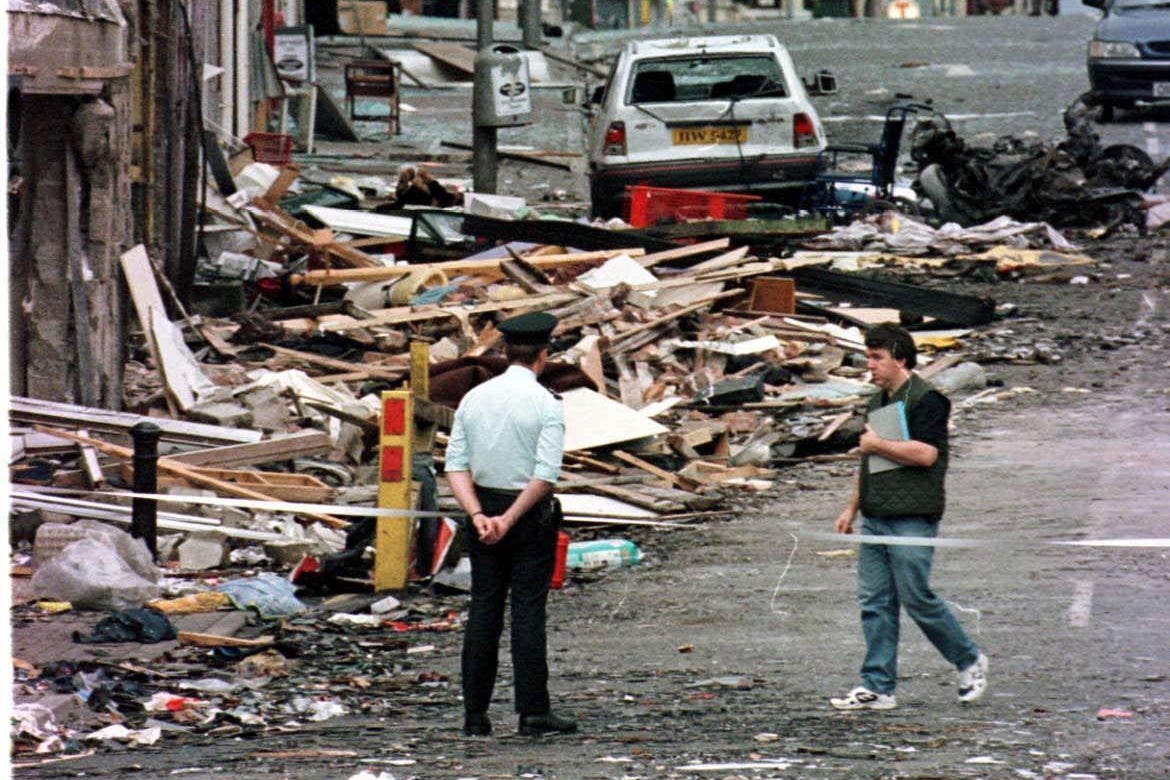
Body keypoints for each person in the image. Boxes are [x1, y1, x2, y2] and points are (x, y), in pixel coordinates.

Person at [830, 322, 988, 711]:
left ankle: (968, 659)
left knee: (916, 597)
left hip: (913, 515)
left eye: (877, 358)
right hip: (878, 514)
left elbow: (926, 454)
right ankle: (877, 686)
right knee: (875, 601)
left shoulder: (927, 400)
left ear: (901, 358)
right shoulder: (881, 401)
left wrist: (876, 443)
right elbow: (875, 459)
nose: (871, 366)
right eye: (868, 357)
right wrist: (852, 506)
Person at [445, 311, 578, 737]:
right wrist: (510, 517)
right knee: (527, 612)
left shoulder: (474, 398)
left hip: (482, 512)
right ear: (543, 355)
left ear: (503, 353)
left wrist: (479, 516)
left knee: (483, 609)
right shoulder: (546, 403)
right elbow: (545, 475)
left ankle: (475, 715)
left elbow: (456, 466)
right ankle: (533, 712)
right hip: (526, 516)